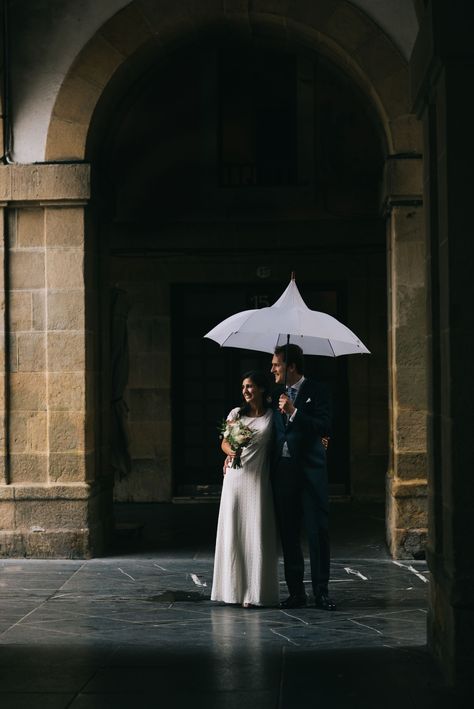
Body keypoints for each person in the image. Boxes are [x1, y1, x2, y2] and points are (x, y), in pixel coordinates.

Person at [270, 344, 336, 611]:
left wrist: (295, 412)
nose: (272, 369)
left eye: (276, 364)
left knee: (317, 533)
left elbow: (324, 426)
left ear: (291, 367)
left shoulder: (318, 391)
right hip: (284, 475)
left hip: (311, 474)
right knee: (288, 535)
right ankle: (296, 592)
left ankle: (321, 592)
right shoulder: (275, 393)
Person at [211, 370, 279, 608]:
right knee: (234, 532)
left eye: (250, 386)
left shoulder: (271, 417)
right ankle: (232, 591)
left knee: (255, 532)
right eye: (243, 387)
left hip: (258, 481)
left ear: (261, 389)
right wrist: (231, 451)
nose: (246, 391)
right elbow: (224, 441)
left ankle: (254, 593)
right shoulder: (236, 414)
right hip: (235, 479)